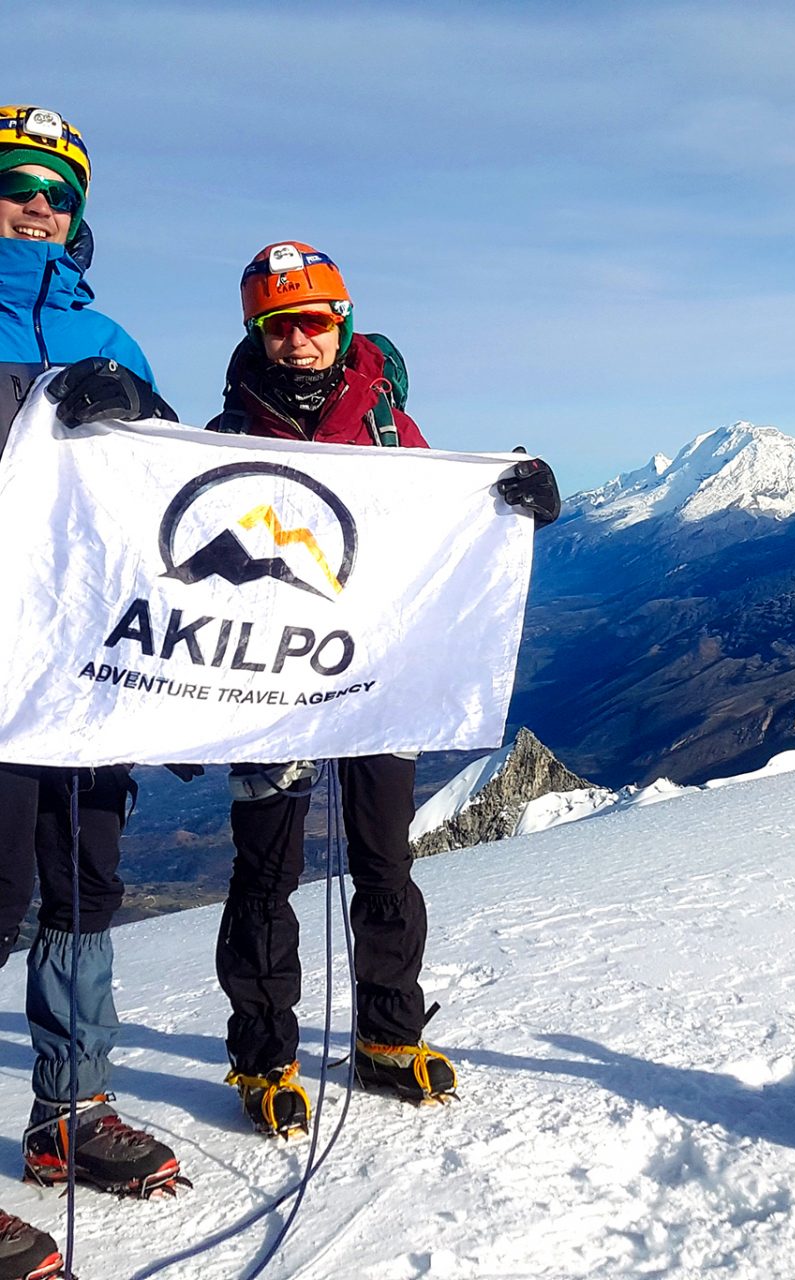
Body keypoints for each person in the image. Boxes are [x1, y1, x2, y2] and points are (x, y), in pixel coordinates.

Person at [208, 241, 560, 1137]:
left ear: (343, 324)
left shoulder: (390, 431)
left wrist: (512, 499)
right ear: (257, 332)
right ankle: (263, 1055)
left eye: (314, 322)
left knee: (383, 860)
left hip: (379, 678)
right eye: (279, 326)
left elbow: (447, 528)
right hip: (269, 688)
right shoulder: (222, 440)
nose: (298, 342)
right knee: (267, 871)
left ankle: (388, 1036)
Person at [0, 106, 186, 1269]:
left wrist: (142, 414)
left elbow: (174, 500)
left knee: (83, 882)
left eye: (57, 192)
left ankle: (70, 1114)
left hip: (87, 663)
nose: (37, 205)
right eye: (16, 183)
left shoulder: (109, 330)